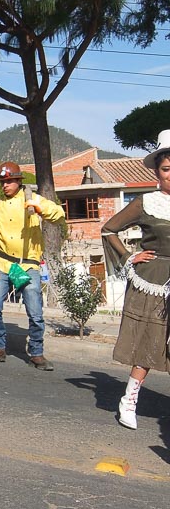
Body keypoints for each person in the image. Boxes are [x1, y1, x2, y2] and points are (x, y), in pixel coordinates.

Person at [102, 130, 170, 429]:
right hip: (153, 281)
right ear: (157, 171)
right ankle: (129, 400)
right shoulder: (146, 202)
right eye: (167, 169)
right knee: (148, 342)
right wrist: (131, 257)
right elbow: (109, 229)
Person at [0, 161, 65, 370]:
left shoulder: (32, 199)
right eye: (2, 182)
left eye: (9, 181)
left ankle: (36, 352)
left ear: (18, 181)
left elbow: (58, 214)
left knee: (35, 311)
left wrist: (39, 208)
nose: (4, 185)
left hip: (27, 265)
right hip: (2, 262)